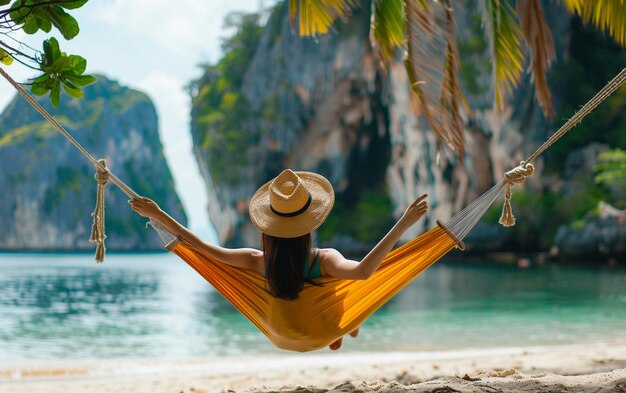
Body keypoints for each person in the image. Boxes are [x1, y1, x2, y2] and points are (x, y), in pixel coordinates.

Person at [130, 169, 428, 350]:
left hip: (281, 335)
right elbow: (364, 272)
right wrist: (402, 224)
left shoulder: (256, 261)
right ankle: (345, 327)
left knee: (331, 286)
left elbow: (203, 248)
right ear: (310, 225)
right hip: (322, 331)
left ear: (268, 229)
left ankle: (344, 326)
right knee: (343, 285)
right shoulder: (325, 259)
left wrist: (158, 215)